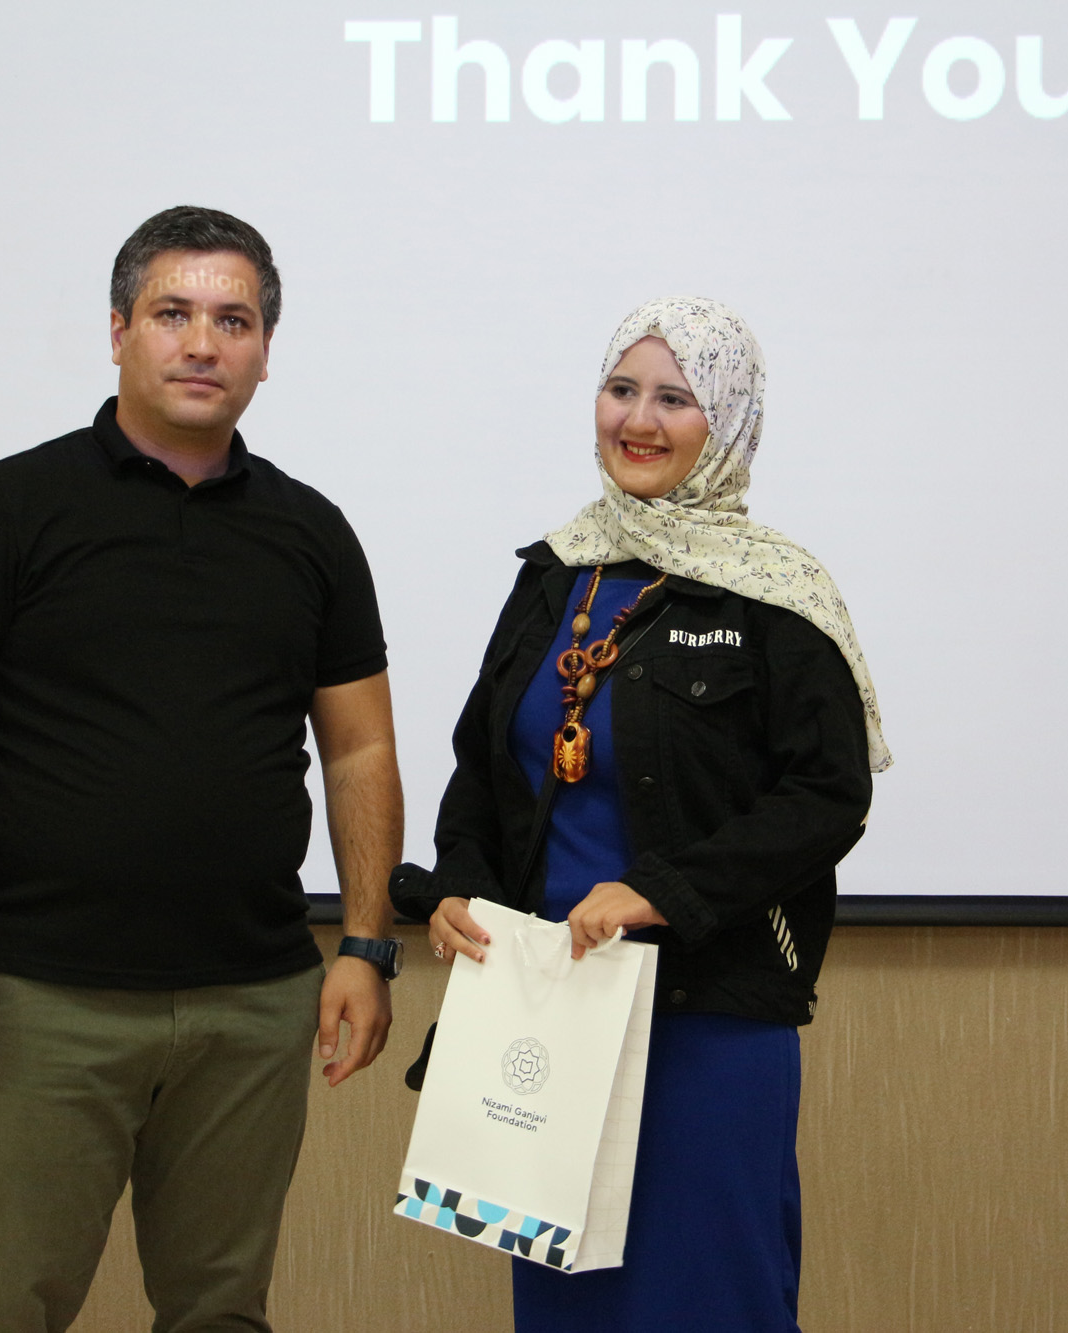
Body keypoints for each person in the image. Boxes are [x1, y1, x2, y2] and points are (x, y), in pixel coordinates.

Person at [0, 205, 406, 1333]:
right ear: (118, 331)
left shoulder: (312, 532)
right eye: (173, 314)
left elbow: (359, 748)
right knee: (9, 1310)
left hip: (252, 1002)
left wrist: (366, 946)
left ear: (266, 350)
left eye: (233, 320)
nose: (203, 344)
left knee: (221, 1312)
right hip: (42, 998)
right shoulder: (6, 506)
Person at [390, 297, 890, 1332]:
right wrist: (462, 885)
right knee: (564, 1306)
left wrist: (660, 891)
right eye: (621, 390)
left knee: (711, 1299)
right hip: (545, 1012)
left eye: (674, 398)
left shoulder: (777, 593)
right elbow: (484, 764)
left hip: (706, 1018)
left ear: (729, 421)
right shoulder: (553, 573)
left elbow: (827, 795)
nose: (638, 420)